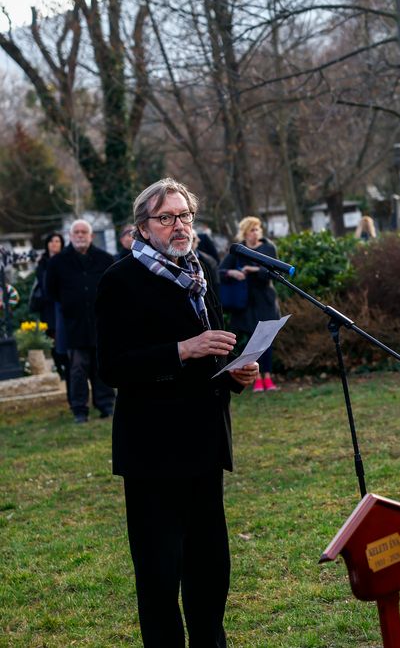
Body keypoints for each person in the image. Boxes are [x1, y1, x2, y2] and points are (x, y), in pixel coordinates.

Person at [96, 178, 259, 647]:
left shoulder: (202, 268)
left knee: (210, 570)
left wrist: (234, 374)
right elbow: (112, 367)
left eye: (184, 215)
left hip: (205, 445)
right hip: (153, 452)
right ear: (143, 228)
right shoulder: (119, 281)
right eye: (166, 218)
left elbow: (213, 352)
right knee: (160, 575)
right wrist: (181, 350)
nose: (179, 226)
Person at [46, 219, 115, 423]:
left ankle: (106, 405)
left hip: (100, 323)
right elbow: (51, 291)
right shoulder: (57, 262)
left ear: (91, 236)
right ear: (69, 236)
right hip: (72, 325)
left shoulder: (105, 259)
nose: (80, 235)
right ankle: (79, 410)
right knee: (77, 370)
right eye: (76, 232)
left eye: (84, 232)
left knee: (101, 367)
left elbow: (113, 289)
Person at [219, 216, 280, 392]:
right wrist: (233, 273)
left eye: (257, 229)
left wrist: (253, 269)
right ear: (245, 232)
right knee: (252, 339)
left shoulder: (268, 247)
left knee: (266, 339)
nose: (256, 233)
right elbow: (220, 271)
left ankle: (268, 377)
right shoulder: (239, 250)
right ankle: (257, 378)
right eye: (252, 230)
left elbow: (273, 273)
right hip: (244, 302)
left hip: (265, 300)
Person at [31, 232, 70, 380]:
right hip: (48, 307)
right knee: (53, 338)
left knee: (65, 336)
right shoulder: (42, 263)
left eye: (57, 241)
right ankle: (60, 368)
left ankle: (68, 365)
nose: (54, 244)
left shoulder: (66, 260)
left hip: (63, 304)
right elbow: (43, 283)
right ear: (47, 244)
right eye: (52, 241)